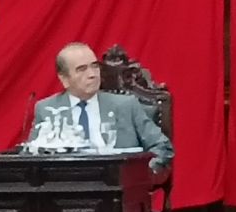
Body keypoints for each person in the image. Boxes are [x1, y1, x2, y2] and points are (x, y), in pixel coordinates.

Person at [28, 42, 174, 171]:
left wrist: (142, 173)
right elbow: (30, 156)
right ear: (64, 79)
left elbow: (162, 146)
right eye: (82, 69)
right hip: (67, 185)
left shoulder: (126, 105)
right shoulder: (47, 109)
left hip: (116, 185)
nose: (92, 74)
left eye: (94, 66)